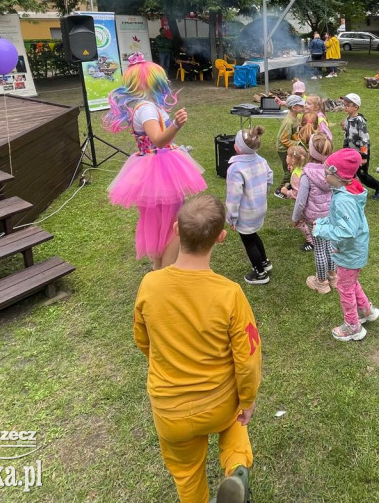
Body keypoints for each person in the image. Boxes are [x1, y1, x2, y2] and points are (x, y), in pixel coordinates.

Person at [134, 195, 261, 503]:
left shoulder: (149, 285)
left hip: (169, 410)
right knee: (235, 420)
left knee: (186, 473)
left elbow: (142, 339)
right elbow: (248, 356)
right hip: (218, 404)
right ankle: (237, 468)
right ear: (221, 237)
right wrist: (248, 399)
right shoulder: (230, 294)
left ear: (176, 229)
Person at [105, 54, 206, 271]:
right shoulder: (147, 109)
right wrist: (176, 125)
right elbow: (159, 140)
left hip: (152, 167)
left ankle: (159, 269)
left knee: (162, 223)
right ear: (151, 81)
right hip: (159, 168)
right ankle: (166, 273)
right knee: (174, 225)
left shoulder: (147, 106)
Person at [313, 149, 379, 342]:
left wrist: (320, 231)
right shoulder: (349, 188)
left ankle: (353, 326)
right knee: (350, 282)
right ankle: (367, 310)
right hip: (354, 250)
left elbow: (346, 231)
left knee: (344, 287)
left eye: (327, 172)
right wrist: (324, 222)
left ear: (339, 176)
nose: (324, 176)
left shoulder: (343, 200)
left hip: (349, 252)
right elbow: (340, 221)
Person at [225, 127, 274, 286]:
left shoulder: (235, 169)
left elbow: (233, 197)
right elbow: (269, 178)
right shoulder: (262, 161)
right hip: (259, 208)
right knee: (253, 235)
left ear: (237, 147)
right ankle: (265, 262)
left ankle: (260, 273)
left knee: (248, 240)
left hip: (246, 213)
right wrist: (263, 194)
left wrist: (231, 217)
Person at [295, 133, 337, 293]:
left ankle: (321, 282)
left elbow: (300, 201)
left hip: (315, 220)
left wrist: (296, 218)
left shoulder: (307, 175)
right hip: (331, 216)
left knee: (319, 248)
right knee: (330, 245)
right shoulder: (332, 173)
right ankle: (333, 276)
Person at [340, 92, 379, 199]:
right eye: (345, 105)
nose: (345, 107)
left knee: (363, 176)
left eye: (348, 105)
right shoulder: (347, 120)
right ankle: (352, 191)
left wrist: (364, 156)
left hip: (361, 153)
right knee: (350, 172)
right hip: (351, 153)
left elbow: (364, 139)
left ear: (356, 107)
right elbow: (347, 137)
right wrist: (345, 151)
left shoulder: (360, 121)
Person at [273, 95, 305, 197]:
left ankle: (289, 187)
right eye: (300, 106)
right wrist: (297, 144)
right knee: (288, 170)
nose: (302, 107)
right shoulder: (288, 121)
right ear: (293, 107)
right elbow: (284, 139)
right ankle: (280, 190)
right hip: (284, 149)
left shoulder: (295, 117)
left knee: (293, 168)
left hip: (290, 148)